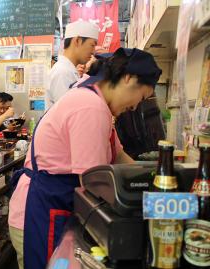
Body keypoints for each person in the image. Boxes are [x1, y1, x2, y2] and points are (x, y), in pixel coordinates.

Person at [9, 48, 162, 269]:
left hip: (50, 206)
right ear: (129, 79)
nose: (136, 106)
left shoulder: (97, 102)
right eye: (142, 97)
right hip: (41, 214)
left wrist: (154, 178)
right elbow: (92, 182)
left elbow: (118, 155)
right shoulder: (90, 107)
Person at [44, 20, 99, 111]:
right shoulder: (63, 72)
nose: (93, 51)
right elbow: (68, 114)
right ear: (77, 41)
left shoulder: (69, 70)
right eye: (92, 45)